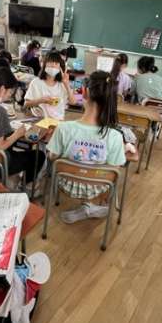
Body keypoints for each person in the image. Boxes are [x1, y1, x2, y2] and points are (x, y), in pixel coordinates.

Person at [47, 71, 126, 224]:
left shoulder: (64, 128)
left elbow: (52, 157)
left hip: (66, 183)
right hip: (98, 186)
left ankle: (87, 208)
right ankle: (90, 207)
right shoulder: (115, 136)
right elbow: (114, 169)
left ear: (84, 92)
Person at [24, 51, 76, 119]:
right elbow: (26, 104)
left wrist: (66, 84)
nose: (53, 65)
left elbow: (73, 102)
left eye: (56, 63)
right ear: (44, 64)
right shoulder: (36, 82)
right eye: (50, 62)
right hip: (39, 120)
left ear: (60, 67)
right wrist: (41, 100)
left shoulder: (62, 84)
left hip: (57, 120)